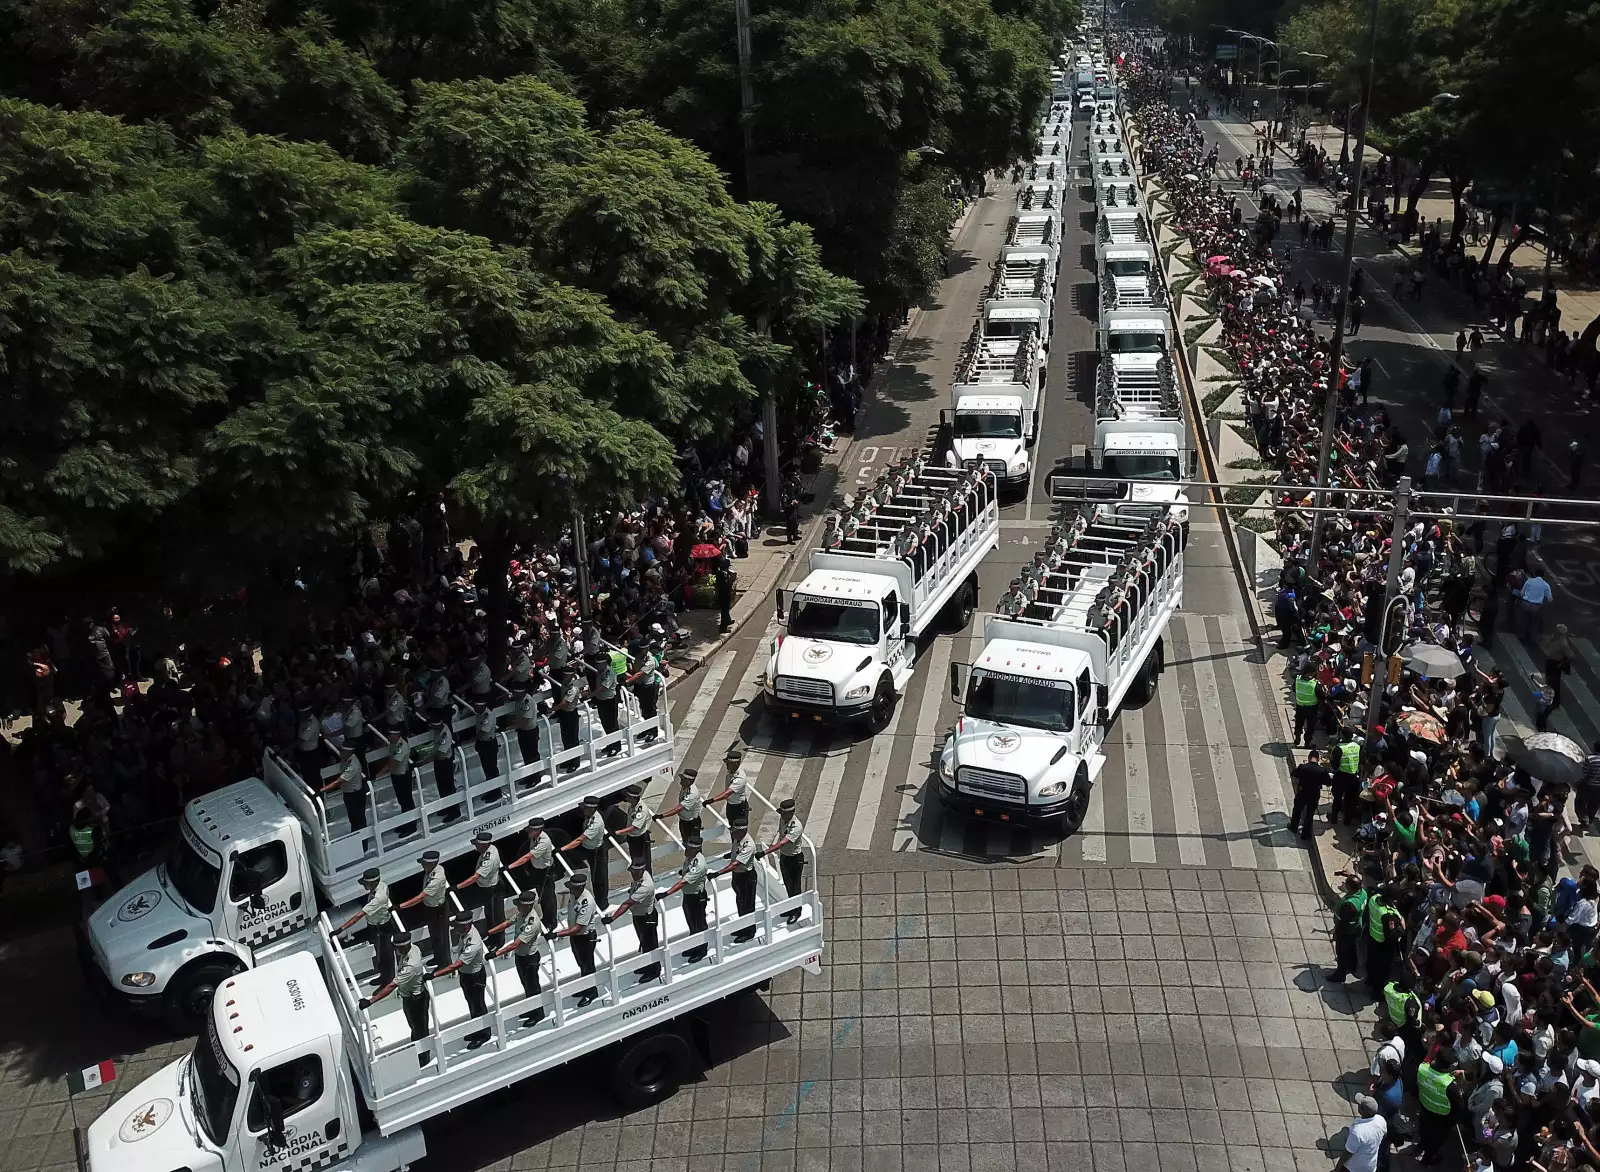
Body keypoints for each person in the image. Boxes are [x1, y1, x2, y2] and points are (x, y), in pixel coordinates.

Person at [358, 930, 433, 1066]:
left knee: (420, 1030)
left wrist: (370, 1001)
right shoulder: (413, 948)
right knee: (416, 1028)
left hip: (416, 1000)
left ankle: (424, 1059)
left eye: (398, 947)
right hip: (411, 997)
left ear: (405, 946)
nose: (396, 950)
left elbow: (392, 986)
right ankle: (418, 1054)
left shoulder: (411, 965)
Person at [434, 910, 490, 1048]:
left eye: (457, 926)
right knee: (471, 1004)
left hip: (475, 978)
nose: (455, 929)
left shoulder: (473, 943)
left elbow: (457, 964)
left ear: (465, 927)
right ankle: (477, 1029)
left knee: (478, 1006)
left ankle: (484, 1034)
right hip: (466, 975)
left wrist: (435, 975)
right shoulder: (466, 931)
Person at [493, 890, 547, 1025]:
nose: (517, 907)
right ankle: (531, 1008)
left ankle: (538, 1013)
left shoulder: (532, 922)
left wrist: (496, 953)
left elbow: (516, 944)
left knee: (533, 987)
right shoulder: (521, 914)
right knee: (526, 985)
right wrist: (489, 932)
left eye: (519, 905)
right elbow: (507, 923)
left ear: (528, 906)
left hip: (529, 959)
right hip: (520, 956)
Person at [338, 867, 397, 986]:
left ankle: (388, 981)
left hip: (382, 928)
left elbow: (358, 916)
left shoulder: (378, 898)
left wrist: (341, 929)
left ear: (374, 883)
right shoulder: (381, 885)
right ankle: (384, 977)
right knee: (380, 954)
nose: (364, 885)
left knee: (385, 956)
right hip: (377, 926)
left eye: (366, 883)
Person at [551, 870, 602, 1005]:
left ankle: (591, 992)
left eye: (572, 888)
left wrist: (557, 934)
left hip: (585, 937)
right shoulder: (575, 895)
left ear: (580, 887)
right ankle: (585, 987)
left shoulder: (587, 902)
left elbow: (578, 928)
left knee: (588, 965)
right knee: (581, 964)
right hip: (576, 937)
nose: (570, 890)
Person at [607, 862, 662, 982]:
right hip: (639, 916)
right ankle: (648, 964)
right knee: (644, 943)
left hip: (647, 918)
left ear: (641, 871)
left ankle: (654, 970)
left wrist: (612, 918)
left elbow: (627, 904)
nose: (632, 874)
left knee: (650, 945)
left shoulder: (646, 885)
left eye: (634, 872)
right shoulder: (641, 876)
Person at [397, 849, 451, 967]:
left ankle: (445, 963)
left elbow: (421, 897)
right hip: (431, 908)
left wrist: (401, 906)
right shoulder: (432, 870)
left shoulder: (437, 879)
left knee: (442, 937)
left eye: (424, 863)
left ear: (432, 864)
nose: (422, 865)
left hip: (439, 910)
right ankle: (438, 958)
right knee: (434, 935)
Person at [663, 837, 711, 962]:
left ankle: (701, 950)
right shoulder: (690, 857)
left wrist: (667, 893)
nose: (686, 850)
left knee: (699, 925)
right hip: (689, 896)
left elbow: (683, 882)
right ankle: (694, 946)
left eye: (689, 848)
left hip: (696, 898)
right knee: (692, 924)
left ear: (696, 849)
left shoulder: (698, 864)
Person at [507, 816, 559, 927]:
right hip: (538, 870)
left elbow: (527, 857)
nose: (528, 832)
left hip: (546, 872)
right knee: (542, 897)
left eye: (530, 830)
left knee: (548, 898)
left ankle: (551, 923)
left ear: (538, 831)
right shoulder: (535, 837)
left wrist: (510, 866)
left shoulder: (543, 842)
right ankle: (546, 919)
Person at [457, 829, 505, 949]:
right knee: (489, 915)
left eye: (477, 844)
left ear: (484, 845)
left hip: (492, 889)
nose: (475, 846)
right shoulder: (490, 848)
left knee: (496, 917)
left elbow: (475, 877)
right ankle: (492, 938)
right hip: (489, 887)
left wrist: (458, 887)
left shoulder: (489, 859)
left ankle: (498, 942)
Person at [561, 794, 611, 908]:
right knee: (594, 876)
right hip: (588, 848)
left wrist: (562, 849)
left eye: (586, 808)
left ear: (592, 809)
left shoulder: (596, 823)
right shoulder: (589, 815)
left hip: (597, 852)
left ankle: (602, 904)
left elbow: (580, 840)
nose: (584, 809)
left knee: (599, 878)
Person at [1415, 1052, 1460, 1165]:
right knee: (1436, 1140)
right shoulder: (1449, 1084)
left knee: (1424, 1131)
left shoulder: (1422, 1069)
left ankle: (1421, 1146)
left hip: (1424, 1108)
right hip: (1441, 1118)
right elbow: (1459, 1106)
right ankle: (1427, 1160)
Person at [769, 798, 807, 922]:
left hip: (795, 859)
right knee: (788, 885)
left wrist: (765, 852)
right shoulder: (782, 819)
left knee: (795, 887)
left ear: (791, 813)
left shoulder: (796, 826)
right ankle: (791, 907)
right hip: (785, 856)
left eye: (784, 813)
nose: (782, 816)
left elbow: (783, 843)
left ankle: (797, 911)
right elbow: (780, 835)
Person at [319, 743, 369, 835]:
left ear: (349, 752)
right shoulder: (345, 759)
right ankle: (355, 835)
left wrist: (321, 791)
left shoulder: (352, 765)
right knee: (353, 818)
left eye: (343, 751)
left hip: (355, 795)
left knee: (359, 818)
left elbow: (338, 782)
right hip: (348, 793)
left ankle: (363, 840)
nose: (340, 752)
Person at [1328, 873, 1368, 983]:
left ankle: (1340, 975)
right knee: (1352, 948)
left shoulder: (1349, 905)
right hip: (1356, 927)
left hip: (1347, 931)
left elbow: (1343, 922)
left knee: (1342, 953)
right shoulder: (1363, 893)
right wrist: (1345, 874)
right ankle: (1352, 966)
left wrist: (1336, 933)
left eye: (1346, 884)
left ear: (1350, 887)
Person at [1338, 1094, 1387, 1172]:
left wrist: (1336, 1169)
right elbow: (1384, 1136)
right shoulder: (1381, 1120)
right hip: (1370, 1166)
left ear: (1362, 1110)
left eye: (1360, 1105)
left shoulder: (1358, 1131)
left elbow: (1347, 1154)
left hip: (1353, 1168)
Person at [1289, 748, 1329, 840]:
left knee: (1297, 810)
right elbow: (1328, 782)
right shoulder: (1322, 770)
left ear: (1309, 757)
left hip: (1302, 792)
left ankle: (1293, 827)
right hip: (1314, 794)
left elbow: (1293, 773)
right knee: (1309, 815)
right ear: (1318, 759)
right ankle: (1305, 834)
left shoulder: (1303, 767)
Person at [659, 768, 704, 842]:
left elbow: (679, 809)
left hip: (691, 823)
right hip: (684, 820)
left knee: (691, 844)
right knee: (685, 840)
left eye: (683, 779)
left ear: (689, 781)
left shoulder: (692, 793)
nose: (681, 781)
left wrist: (662, 816)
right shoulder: (685, 786)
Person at [617, 784, 652, 868]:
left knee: (642, 862)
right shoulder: (633, 805)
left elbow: (634, 827)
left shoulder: (641, 810)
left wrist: (618, 832)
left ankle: (645, 875)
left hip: (639, 839)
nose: (625, 797)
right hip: (632, 837)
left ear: (633, 798)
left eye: (627, 796)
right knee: (635, 860)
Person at [1292, 663, 1322, 748]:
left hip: (1300, 707)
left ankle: (1297, 739)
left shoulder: (1298, 679)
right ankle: (1307, 743)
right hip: (1311, 709)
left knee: (1298, 724)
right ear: (1312, 673)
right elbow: (1321, 696)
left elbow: (1294, 689)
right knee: (1310, 727)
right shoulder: (1315, 684)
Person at [715, 554, 736, 633]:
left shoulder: (721, 573)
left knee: (726, 610)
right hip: (724, 596)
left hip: (724, 595)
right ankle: (723, 628)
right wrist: (731, 580)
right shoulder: (722, 575)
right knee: (724, 611)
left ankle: (728, 621)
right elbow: (725, 586)